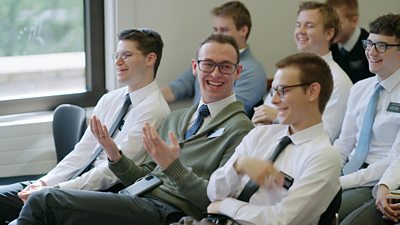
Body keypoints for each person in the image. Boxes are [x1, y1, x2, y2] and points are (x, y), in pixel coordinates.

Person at [11, 33, 254, 225]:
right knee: (45, 205)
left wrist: (173, 167)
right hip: (136, 196)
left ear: (238, 72)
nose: (215, 74)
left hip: (168, 210)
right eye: (208, 64)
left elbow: (213, 198)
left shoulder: (241, 129)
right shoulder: (179, 118)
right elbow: (145, 175)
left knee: (45, 201)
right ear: (194, 68)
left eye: (225, 67)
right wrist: (115, 155)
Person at [0, 28, 171, 225]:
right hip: (69, 182)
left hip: (100, 193)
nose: (118, 62)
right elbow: (81, 153)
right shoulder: (110, 99)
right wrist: (44, 182)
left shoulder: (155, 111)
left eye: (127, 55)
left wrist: (56, 190)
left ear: (150, 59)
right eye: (117, 55)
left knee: (36, 204)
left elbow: (110, 173)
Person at [204, 52, 341, 224]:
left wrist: (225, 206)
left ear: (312, 91)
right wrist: (239, 166)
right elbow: (213, 192)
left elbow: (283, 220)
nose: (274, 100)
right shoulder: (261, 134)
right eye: (273, 91)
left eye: (283, 90)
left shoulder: (324, 156)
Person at [252, 1, 352, 143]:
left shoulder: (339, 82)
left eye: (309, 26)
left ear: (329, 33)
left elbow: (326, 135)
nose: (300, 31)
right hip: (266, 142)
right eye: (298, 25)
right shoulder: (287, 71)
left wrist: (278, 117)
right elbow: (264, 112)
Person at [333, 13, 400, 223]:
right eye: (369, 43)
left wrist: (340, 182)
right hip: (350, 172)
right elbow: (343, 145)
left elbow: (394, 159)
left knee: (337, 216)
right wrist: (322, 170)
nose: (371, 52)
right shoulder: (360, 88)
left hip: (381, 179)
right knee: (304, 206)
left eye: (381, 46)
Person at [161, 1, 267, 117]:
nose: (218, 35)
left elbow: (231, 111)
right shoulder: (205, 61)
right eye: (215, 30)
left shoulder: (253, 71)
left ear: (243, 30)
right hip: (192, 123)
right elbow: (175, 88)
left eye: (224, 30)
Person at [326, 0, 375, 84]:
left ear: (354, 21)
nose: (331, 29)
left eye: (337, 23)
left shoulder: (372, 47)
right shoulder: (328, 47)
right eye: (327, 23)